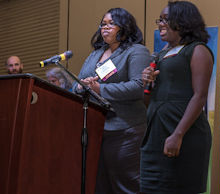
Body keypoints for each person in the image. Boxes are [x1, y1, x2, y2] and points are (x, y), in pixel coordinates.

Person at [73, 8, 151, 194]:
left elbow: (138, 86)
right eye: (103, 24)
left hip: (126, 130)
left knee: (126, 185)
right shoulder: (96, 54)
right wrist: (79, 86)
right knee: (100, 186)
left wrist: (100, 89)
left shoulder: (136, 51)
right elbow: (82, 80)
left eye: (111, 23)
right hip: (97, 129)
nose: (105, 28)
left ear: (125, 27)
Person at [140, 1, 214, 193]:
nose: (160, 24)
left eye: (166, 19)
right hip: (156, 136)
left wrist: (178, 135)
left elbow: (200, 96)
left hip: (184, 135)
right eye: (160, 20)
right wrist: (146, 83)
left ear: (182, 22)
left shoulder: (197, 50)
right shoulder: (160, 55)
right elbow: (147, 101)